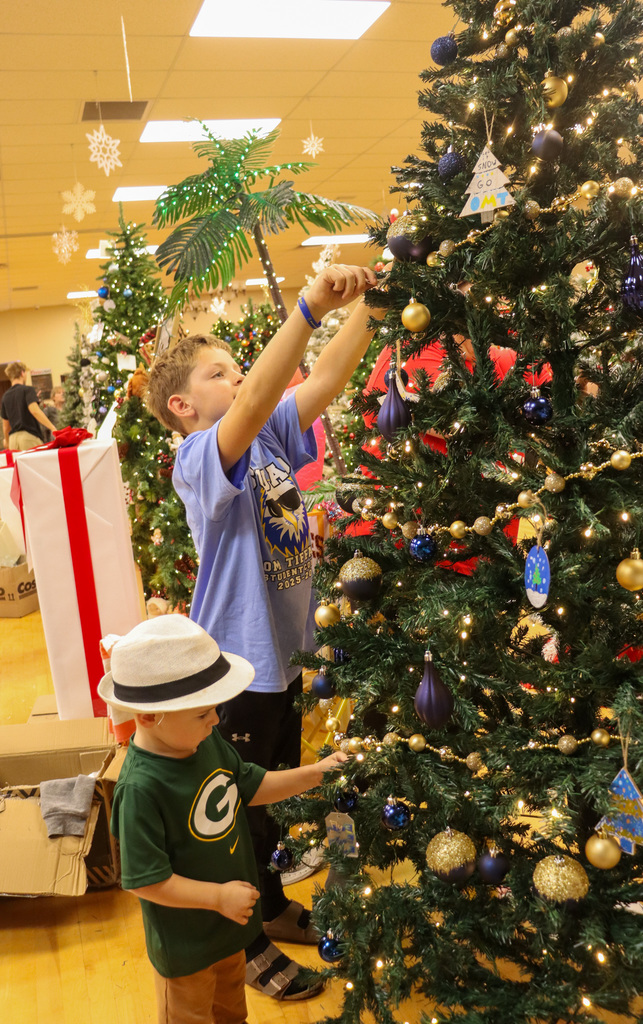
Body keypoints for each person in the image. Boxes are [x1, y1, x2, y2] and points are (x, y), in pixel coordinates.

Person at [145, 263, 381, 999]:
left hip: (283, 658)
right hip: (236, 665)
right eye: (218, 373)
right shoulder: (196, 457)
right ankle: (243, 942)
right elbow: (252, 403)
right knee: (234, 813)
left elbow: (326, 379)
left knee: (270, 799)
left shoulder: (272, 435)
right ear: (183, 405)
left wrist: (375, 301)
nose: (238, 377)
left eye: (236, 368)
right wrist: (308, 307)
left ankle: (270, 905)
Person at [98, 615, 347, 1023]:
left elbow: (249, 784)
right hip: (187, 951)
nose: (216, 720)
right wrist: (217, 898)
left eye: (214, 709)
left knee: (232, 1013)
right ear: (148, 718)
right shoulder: (140, 789)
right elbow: (146, 881)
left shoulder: (203, 741)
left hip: (232, 930)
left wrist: (315, 774)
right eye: (203, 714)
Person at [1, 361, 57, 450]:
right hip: (28, 437)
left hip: (13, 440)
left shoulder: (5, 396)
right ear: (22, 373)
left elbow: (6, 426)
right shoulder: (27, 390)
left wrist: (7, 442)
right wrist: (52, 427)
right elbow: (34, 411)